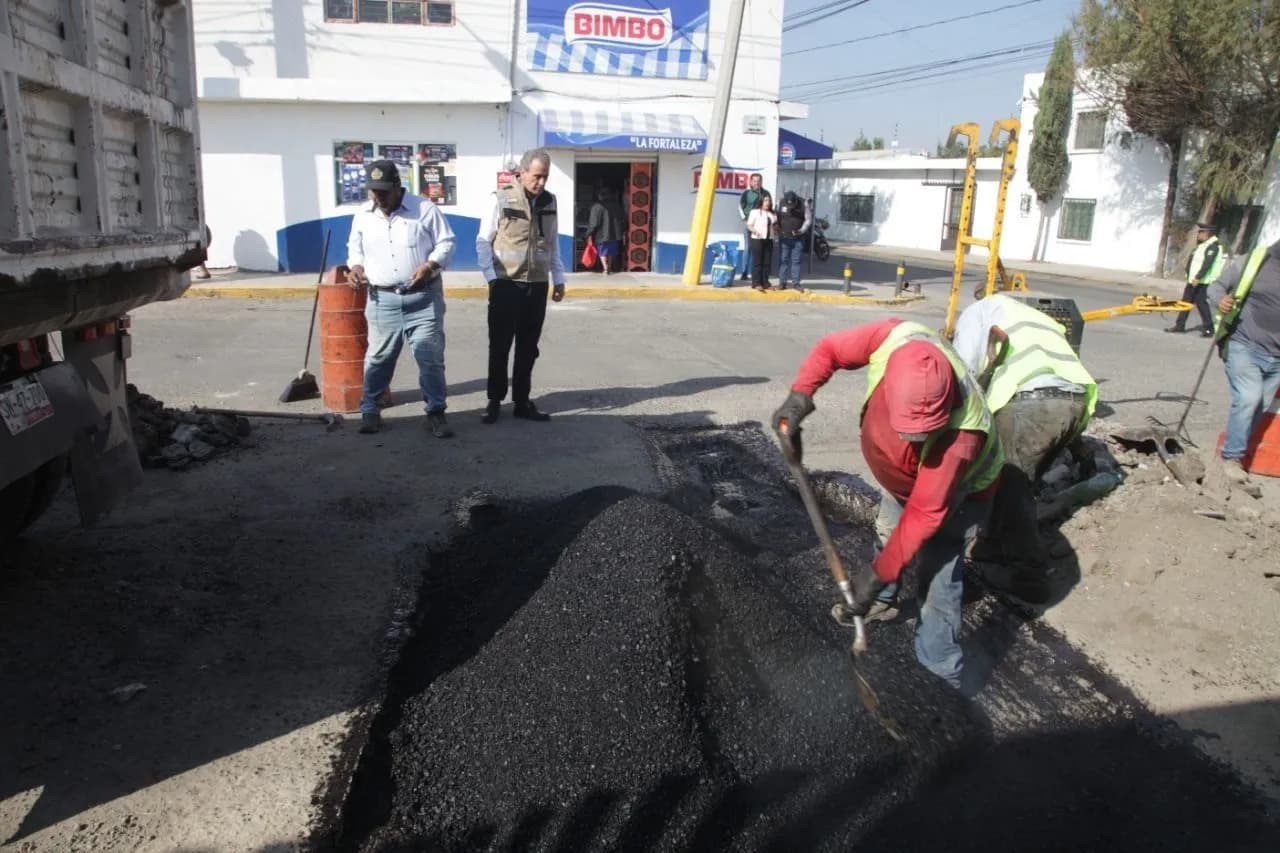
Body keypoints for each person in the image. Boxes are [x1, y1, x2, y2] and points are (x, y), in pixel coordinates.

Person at [771, 319, 1003, 690]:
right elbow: (830, 348)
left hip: (963, 494)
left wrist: (875, 575)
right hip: (905, 483)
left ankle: (941, 674)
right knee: (888, 533)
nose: (915, 439)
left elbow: (925, 514)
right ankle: (885, 599)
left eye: (924, 432)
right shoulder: (895, 338)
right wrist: (801, 396)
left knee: (940, 576)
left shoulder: (961, 437)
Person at [952, 293, 1097, 601]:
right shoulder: (1032, 317)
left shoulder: (974, 315)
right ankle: (992, 548)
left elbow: (965, 374)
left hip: (1032, 404)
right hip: (1074, 402)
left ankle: (1030, 578)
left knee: (1012, 489)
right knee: (1009, 481)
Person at [346, 159, 457, 437]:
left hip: (423, 298)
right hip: (382, 300)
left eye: (383, 191)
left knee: (430, 358)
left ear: (398, 187)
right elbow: (355, 248)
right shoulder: (363, 214)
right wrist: (356, 268)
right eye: (373, 191)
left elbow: (447, 242)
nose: (378, 197)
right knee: (379, 358)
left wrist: (431, 265)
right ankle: (370, 410)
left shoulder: (424, 210)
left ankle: (435, 412)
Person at [476, 148, 566, 424]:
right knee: (500, 346)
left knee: (528, 347)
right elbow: (483, 241)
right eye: (537, 176)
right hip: (506, 284)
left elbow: (552, 244)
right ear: (522, 172)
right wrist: (491, 278)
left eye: (545, 177)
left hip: (536, 285)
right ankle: (494, 401)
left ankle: (522, 401)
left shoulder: (550, 202)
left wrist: (559, 278)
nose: (541, 183)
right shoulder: (501, 199)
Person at [1207, 237, 1280, 487]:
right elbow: (1215, 287)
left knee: (1260, 406)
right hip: (1244, 344)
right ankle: (1231, 458)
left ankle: (1239, 452)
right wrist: (1221, 300)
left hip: (1278, 357)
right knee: (1249, 397)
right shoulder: (1255, 261)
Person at [1167, 222, 1225, 337]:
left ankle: (1209, 329)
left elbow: (1207, 264)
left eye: (1200, 232)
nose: (1198, 234)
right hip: (1192, 280)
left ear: (1206, 233)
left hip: (1202, 282)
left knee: (1201, 304)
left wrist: (1198, 277)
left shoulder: (1213, 246)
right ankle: (1180, 325)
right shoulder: (1202, 245)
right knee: (1185, 303)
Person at [738, 173, 772, 281]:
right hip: (750, 225)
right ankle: (744, 272)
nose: (756, 183)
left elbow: (770, 207)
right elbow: (740, 207)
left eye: (758, 181)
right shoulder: (746, 193)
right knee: (748, 249)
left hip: (762, 227)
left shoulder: (766, 193)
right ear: (751, 182)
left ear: (761, 182)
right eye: (754, 181)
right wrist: (745, 220)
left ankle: (756, 275)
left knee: (759, 250)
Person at [776, 191, 811, 292]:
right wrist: (777, 227)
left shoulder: (804, 203)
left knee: (796, 261)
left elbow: (808, 219)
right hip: (784, 238)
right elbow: (776, 217)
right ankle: (782, 283)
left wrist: (801, 230)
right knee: (783, 261)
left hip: (798, 239)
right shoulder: (780, 202)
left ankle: (796, 283)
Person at [586, 187, 626, 275]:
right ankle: (609, 267)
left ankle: (605, 268)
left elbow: (594, 222)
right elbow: (623, 219)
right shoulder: (617, 205)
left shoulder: (597, 206)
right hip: (615, 234)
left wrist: (588, 233)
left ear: (599, 196)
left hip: (601, 235)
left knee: (602, 252)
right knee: (611, 252)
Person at [747, 196, 777, 291]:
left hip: (769, 239)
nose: (767, 202)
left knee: (767, 263)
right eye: (765, 200)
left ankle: (765, 283)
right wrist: (755, 231)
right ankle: (756, 283)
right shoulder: (755, 212)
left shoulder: (772, 214)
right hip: (757, 239)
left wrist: (776, 232)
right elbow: (749, 225)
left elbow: (775, 226)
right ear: (761, 201)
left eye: (769, 200)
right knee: (758, 262)